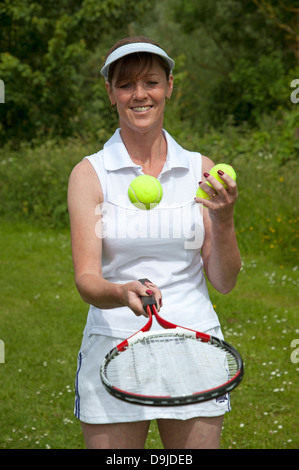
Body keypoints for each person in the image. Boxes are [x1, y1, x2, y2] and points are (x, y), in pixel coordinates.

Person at [67, 36, 241, 449]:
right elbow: (86, 279)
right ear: (110, 92)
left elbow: (225, 280)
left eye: (151, 82)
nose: (139, 94)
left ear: (169, 86)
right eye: (126, 84)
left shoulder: (200, 169)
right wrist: (120, 291)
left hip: (194, 342)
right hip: (114, 346)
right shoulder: (90, 174)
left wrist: (225, 218)